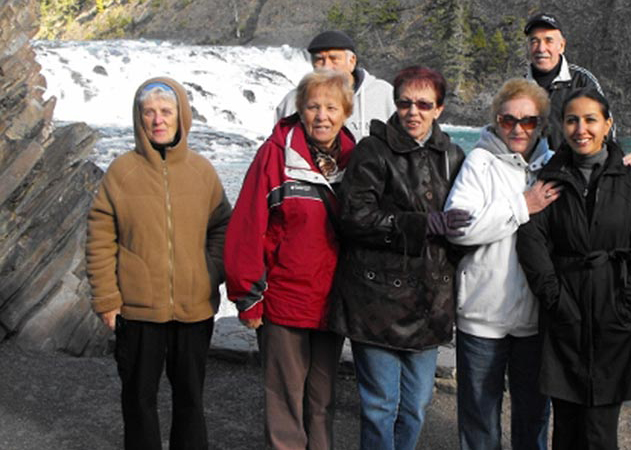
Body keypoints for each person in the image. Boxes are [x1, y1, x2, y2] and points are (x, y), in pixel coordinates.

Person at [86, 77, 232, 450]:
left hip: (194, 308)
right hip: (137, 311)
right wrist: (107, 298)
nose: (157, 120)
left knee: (191, 400)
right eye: (148, 112)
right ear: (139, 118)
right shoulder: (121, 172)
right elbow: (100, 237)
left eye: (166, 111)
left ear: (181, 116)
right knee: (138, 400)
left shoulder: (202, 171)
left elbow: (222, 226)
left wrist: (210, 271)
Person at [328, 66, 467, 450]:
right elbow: (353, 218)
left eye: (423, 104)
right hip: (375, 300)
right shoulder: (371, 151)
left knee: (417, 405)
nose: (413, 112)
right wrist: (421, 224)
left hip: (430, 302)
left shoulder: (452, 155)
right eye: (405, 103)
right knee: (380, 405)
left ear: (439, 108)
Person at [517, 88, 631, 450]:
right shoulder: (549, 178)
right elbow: (532, 242)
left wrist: (627, 304)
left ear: (608, 124)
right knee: (566, 428)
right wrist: (554, 298)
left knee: (600, 432)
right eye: (572, 120)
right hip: (564, 312)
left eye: (590, 119)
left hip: (614, 310)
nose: (581, 129)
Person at [225, 69, 356, 450]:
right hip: (284, 301)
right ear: (300, 110)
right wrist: (248, 296)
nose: (322, 116)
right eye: (313, 107)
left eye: (331, 107)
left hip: (331, 302)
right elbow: (248, 226)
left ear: (345, 112)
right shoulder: (275, 155)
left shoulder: (356, 157)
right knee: (284, 402)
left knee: (322, 401)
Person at [444, 78, 556, 450]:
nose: (518, 129)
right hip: (483, 314)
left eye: (528, 121)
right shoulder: (479, 162)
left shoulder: (553, 167)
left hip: (534, 317)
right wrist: (522, 206)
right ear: (496, 120)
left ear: (541, 124)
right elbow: (458, 228)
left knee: (533, 417)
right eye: (508, 120)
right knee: (479, 419)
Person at [275, 30, 395, 138]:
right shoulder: (293, 100)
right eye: (319, 59)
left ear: (352, 61)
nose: (326, 66)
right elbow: (278, 145)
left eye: (334, 59)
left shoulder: (384, 94)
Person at [523, 12, 611, 150]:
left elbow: (606, 131)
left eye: (549, 41)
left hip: (574, 162)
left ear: (562, 46)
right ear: (528, 47)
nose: (541, 48)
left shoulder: (582, 81)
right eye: (534, 41)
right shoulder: (519, 89)